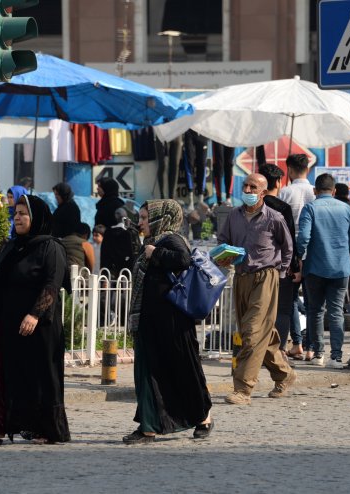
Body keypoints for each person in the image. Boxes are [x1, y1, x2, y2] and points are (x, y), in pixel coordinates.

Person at [0, 194, 71, 445]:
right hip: (7, 323)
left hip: (39, 327)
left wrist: (35, 313)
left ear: (36, 217)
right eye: (15, 213)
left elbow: (52, 283)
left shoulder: (52, 247)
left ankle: (45, 430)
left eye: (23, 213)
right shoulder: (15, 246)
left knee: (38, 377)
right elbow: (0, 284)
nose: (17, 217)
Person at [123, 199, 213, 444]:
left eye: (144, 218)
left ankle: (203, 416)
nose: (141, 223)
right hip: (151, 319)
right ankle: (149, 426)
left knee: (183, 370)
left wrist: (157, 253)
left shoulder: (170, 240)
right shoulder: (151, 242)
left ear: (159, 219)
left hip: (172, 322)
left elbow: (183, 260)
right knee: (149, 373)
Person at [217, 173, 296, 404]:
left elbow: (288, 247)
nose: (248, 191)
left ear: (263, 192)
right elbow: (223, 241)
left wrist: (280, 273)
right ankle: (284, 374)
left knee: (252, 334)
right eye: (246, 186)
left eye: (254, 187)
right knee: (261, 335)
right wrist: (224, 256)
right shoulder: (233, 216)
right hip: (241, 276)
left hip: (266, 278)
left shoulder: (274, 217)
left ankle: (243, 389)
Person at [297, 173, 350, 367]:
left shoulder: (310, 208)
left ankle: (318, 354)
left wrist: (300, 256)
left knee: (315, 311)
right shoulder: (345, 208)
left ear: (315, 191)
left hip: (315, 267)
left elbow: (303, 238)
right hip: (341, 268)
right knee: (336, 312)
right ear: (333, 191)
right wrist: (348, 251)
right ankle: (337, 356)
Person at [259, 163, 301, 355]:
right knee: (283, 309)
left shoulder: (251, 206)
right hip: (279, 266)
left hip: (255, 266)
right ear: (278, 181)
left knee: (259, 309)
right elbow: (289, 240)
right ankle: (280, 349)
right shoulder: (283, 208)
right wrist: (294, 266)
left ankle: (258, 349)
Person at [277, 154, 316, 359]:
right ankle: (310, 346)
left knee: (290, 300)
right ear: (307, 170)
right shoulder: (315, 192)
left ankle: (296, 343)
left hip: (290, 253)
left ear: (290, 170)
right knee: (312, 303)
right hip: (313, 254)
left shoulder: (285, 192)